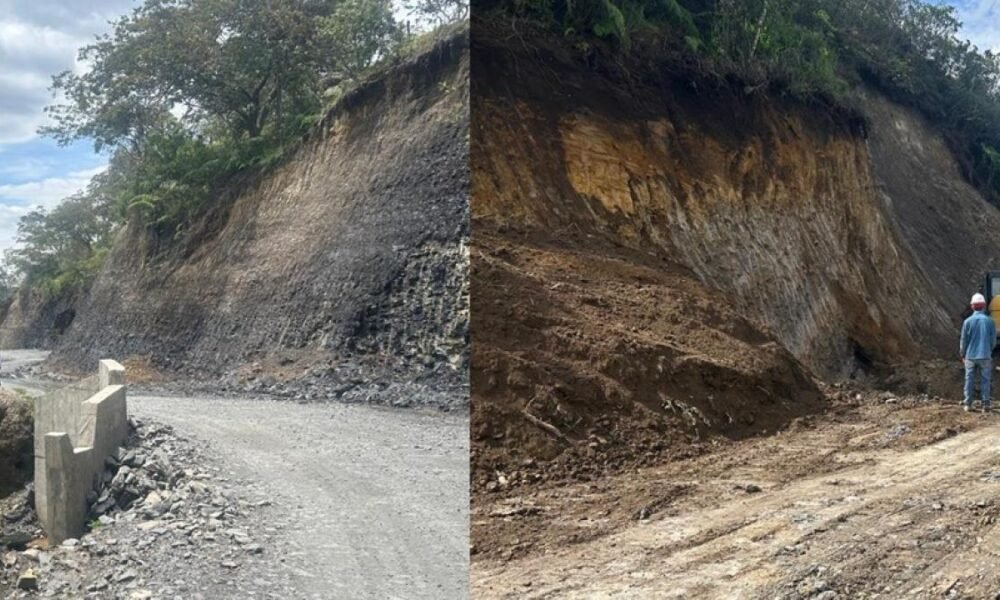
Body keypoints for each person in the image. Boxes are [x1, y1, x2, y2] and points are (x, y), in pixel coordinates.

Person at [961, 293, 997, 412]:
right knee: (985, 379)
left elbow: (964, 340)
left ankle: (968, 404)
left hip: (970, 356)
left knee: (969, 379)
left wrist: (963, 354)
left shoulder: (967, 322)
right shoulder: (990, 321)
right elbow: (993, 341)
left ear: (972, 306)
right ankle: (985, 404)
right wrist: (989, 350)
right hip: (985, 355)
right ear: (984, 306)